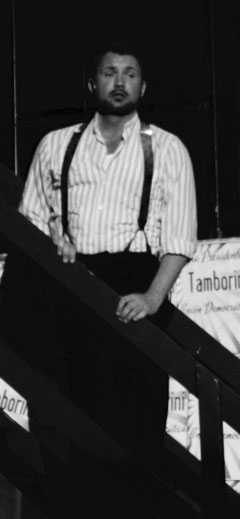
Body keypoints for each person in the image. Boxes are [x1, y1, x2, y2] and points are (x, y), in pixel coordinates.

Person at [0, 41, 197, 518]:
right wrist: (55, 246)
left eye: (130, 73)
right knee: (62, 422)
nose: (120, 81)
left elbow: (179, 237)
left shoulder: (167, 148)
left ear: (143, 87)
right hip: (69, 289)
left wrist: (152, 297)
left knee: (132, 427)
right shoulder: (56, 145)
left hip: (131, 288)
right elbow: (31, 226)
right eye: (110, 72)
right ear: (93, 83)